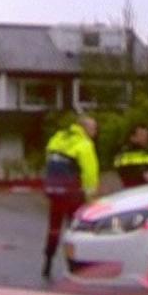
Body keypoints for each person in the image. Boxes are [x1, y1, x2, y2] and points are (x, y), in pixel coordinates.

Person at [40, 113, 98, 279]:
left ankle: (48, 262)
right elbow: (89, 172)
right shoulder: (84, 143)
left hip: (54, 190)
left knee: (54, 227)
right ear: (84, 128)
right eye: (93, 128)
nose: (95, 132)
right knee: (75, 228)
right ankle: (74, 264)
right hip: (72, 192)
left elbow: (48, 159)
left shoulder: (58, 138)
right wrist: (91, 196)